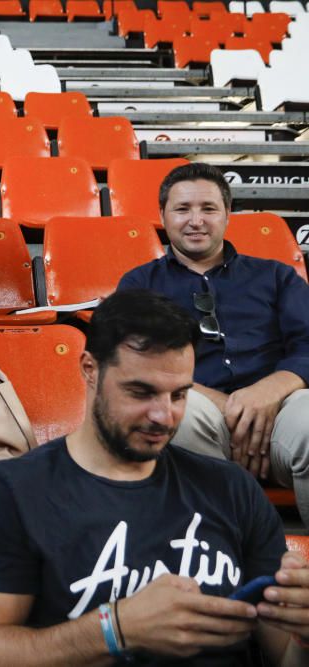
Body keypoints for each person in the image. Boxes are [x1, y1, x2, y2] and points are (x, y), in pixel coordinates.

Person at [0, 289, 309, 666]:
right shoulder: (11, 492)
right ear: (90, 369)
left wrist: (304, 636)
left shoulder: (231, 488)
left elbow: (285, 656)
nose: (164, 416)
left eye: (179, 395)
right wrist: (114, 630)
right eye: (141, 392)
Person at [117, 162, 309, 526]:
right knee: (177, 416)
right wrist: (230, 406)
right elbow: (137, 364)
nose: (196, 220)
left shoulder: (276, 275)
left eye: (208, 209)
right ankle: (215, 561)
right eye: (182, 209)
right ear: (162, 215)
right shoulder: (139, 284)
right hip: (194, 404)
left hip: (281, 410)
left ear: (227, 214)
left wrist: (269, 391)